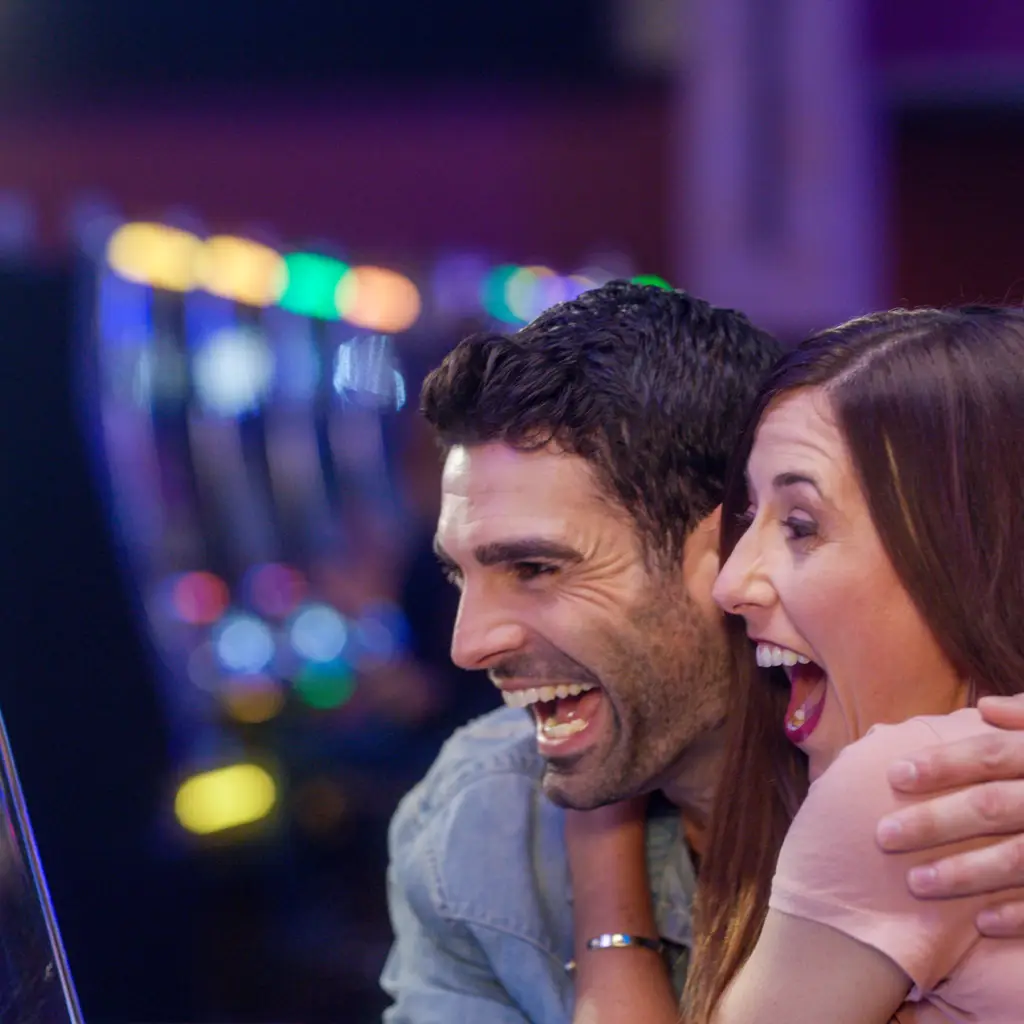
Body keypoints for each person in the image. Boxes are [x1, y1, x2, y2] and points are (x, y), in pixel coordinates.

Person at [379, 284, 1024, 1023]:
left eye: (537, 568)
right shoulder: (482, 817)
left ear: (712, 552)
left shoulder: (928, 795)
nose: (468, 646)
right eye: (459, 574)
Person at [569, 306, 1024, 1023]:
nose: (730, 584)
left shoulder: (909, 790)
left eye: (801, 525)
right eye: (750, 517)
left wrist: (601, 869)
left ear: (974, 554)